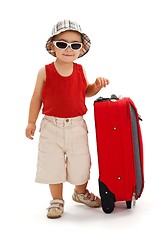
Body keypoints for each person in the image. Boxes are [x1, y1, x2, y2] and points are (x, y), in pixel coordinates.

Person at [25, 19, 109, 219]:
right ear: (53, 46)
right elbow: (36, 97)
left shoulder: (80, 70)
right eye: (62, 44)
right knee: (52, 164)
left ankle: (80, 192)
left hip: (77, 125)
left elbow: (85, 91)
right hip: (51, 126)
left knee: (81, 162)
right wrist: (31, 122)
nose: (68, 49)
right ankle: (57, 200)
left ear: (81, 49)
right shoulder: (45, 71)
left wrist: (95, 87)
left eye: (75, 45)